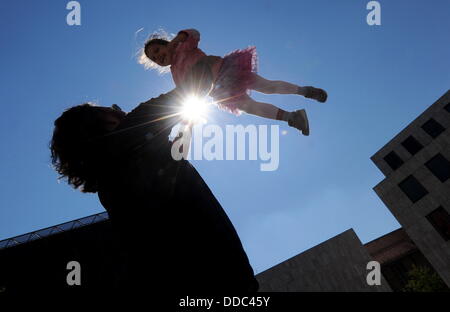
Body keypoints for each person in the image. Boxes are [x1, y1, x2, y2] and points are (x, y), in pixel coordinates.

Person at [49, 69, 259, 292]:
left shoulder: (109, 186)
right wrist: (212, 66)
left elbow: (166, 183)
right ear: (104, 119)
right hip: (219, 276)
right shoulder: (130, 134)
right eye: (112, 108)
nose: (119, 110)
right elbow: (192, 86)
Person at [139, 28, 328, 136]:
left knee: (266, 87)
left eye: (157, 51)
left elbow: (194, 34)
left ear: (166, 45)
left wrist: (178, 38)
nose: (158, 57)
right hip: (219, 92)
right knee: (249, 107)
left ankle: (305, 91)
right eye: (154, 59)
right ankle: (293, 117)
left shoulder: (182, 47)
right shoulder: (175, 73)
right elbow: (185, 94)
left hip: (226, 71)